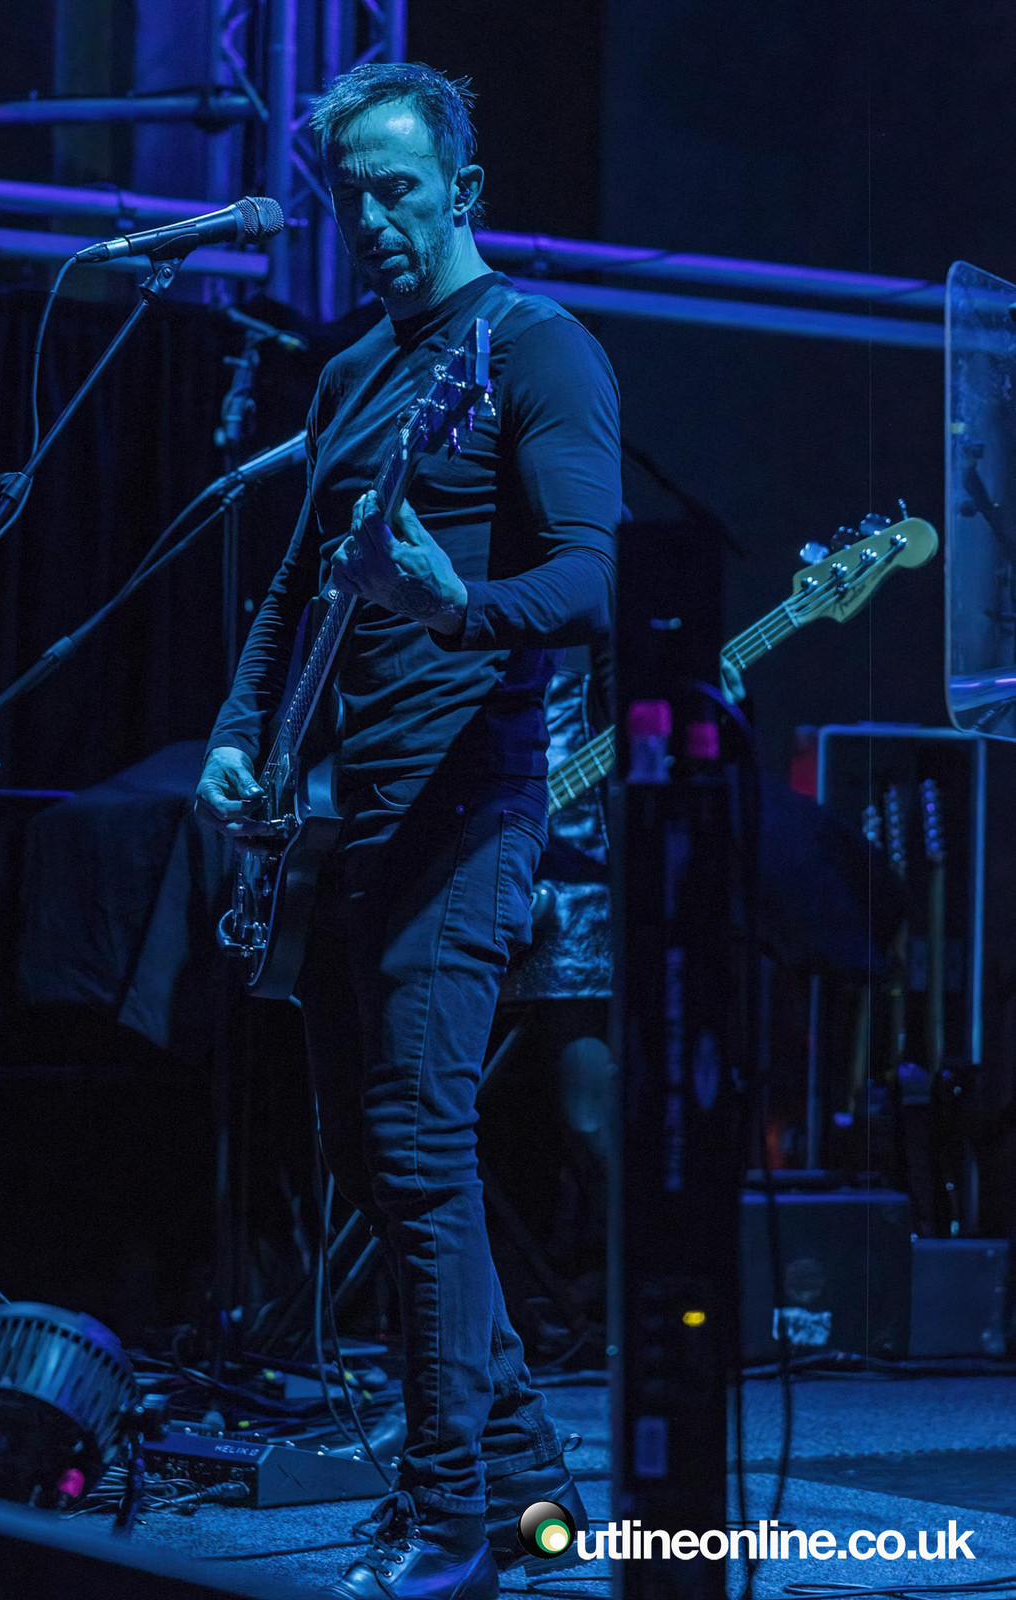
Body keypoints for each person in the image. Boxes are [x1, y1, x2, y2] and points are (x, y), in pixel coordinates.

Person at [195, 61, 621, 1600]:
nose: (371, 218)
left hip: (469, 808)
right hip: (333, 823)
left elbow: (590, 581)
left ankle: (447, 1522)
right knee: (379, 1168)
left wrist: (458, 604)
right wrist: (241, 735)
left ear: (462, 187)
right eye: (349, 194)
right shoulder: (348, 373)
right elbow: (296, 587)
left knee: (423, 1156)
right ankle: (533, 1493)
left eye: (397, 188)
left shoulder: (535, 349)